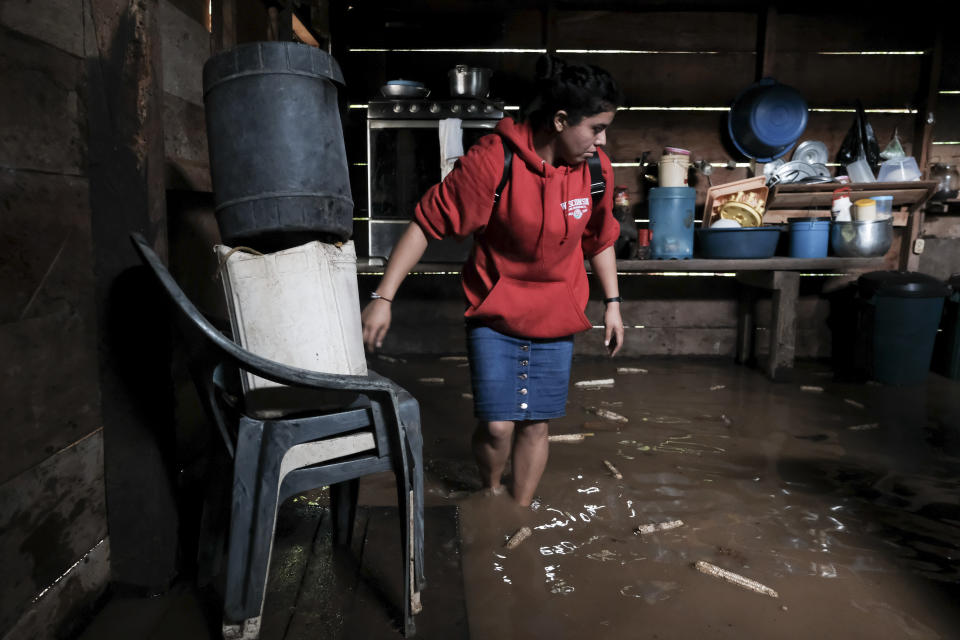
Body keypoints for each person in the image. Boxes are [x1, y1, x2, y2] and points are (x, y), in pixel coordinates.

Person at [361, 55, 625, 507]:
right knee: (498, 425)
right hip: (495, 313)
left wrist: (613, 303)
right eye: (596, 128)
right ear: (560, 120)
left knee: (537, 424)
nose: (602, 140)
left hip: (556, 315)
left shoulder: (595, 171)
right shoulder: (493, 161)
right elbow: (426, 224)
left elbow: (598, 239)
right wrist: (383, 297)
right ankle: (490, 491)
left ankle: (517, 513)